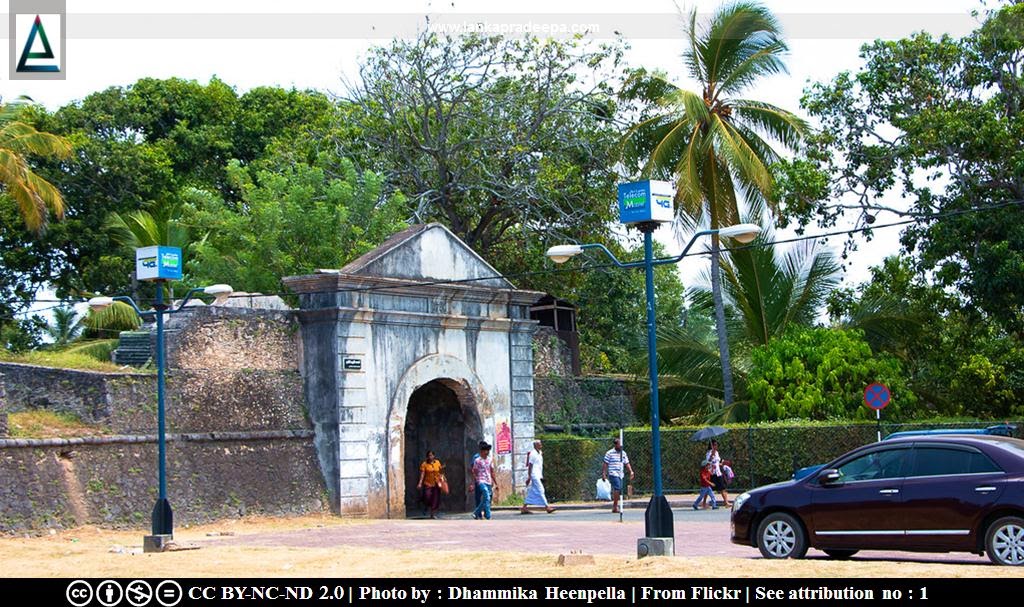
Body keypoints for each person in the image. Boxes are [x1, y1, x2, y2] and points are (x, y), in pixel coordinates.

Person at [520, 440, 555, 514]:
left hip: (538, 474)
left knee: (532, 491)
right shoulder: (533, 454)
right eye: (539, 444)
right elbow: (530, 465)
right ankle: (547, 507)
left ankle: (524, 507)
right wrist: (529, 477)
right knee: (541, 490)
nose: (541, 445)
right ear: (535, 445)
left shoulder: (540, 453)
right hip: (534, 475)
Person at [601, 437, 634, 514]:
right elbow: (605, 464)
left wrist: (631, 471)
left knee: (619, 489)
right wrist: (604, 473)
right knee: (617, 488)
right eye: (619, 445)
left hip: (621, 474)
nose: (621, 446)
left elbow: (627, 463)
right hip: (613, 473)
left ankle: (615, 505)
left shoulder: (623, 453)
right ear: (615, 445)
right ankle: (615, 506)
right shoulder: (609, 453)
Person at [471, 442, 497, 520]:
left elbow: (492, 471)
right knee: (486, 495)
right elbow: (474, 471)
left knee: (488, 498)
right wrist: (474, 481)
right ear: (482, 451)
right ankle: (478, 513)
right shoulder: (477, 460)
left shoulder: (489, 460)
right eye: (485, 450)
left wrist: (495, 482)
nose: (487, 452)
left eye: (488, 450)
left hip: (488, 480)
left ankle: (487, 515)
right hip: (481, 481)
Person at [416, 450, 443, 519]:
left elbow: (440, 472)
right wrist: (420, 483)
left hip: (436, 483)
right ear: (427, 457)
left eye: (431, 455)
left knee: (435, 498)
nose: (430, 457)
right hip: (428, 483)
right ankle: (425, 505)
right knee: (427, 496)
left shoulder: (437, 462)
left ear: (434, 456)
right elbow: (422, 474)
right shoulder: (424, 464)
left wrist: (442, 479)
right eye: (429, 455)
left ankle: (432, 514)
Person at [706, 439, 730, 507]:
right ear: (712, 445)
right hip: (712, 473)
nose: (716, 446)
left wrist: (722, 464)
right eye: (715, 445)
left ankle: (726, 502)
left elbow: (717, 461)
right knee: (708, 489)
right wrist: (711, 455)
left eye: (717, 445)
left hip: (718, 473)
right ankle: (704, 502)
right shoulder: (709, 453)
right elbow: (708, 462)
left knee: (723, 487)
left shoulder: (716, 452)